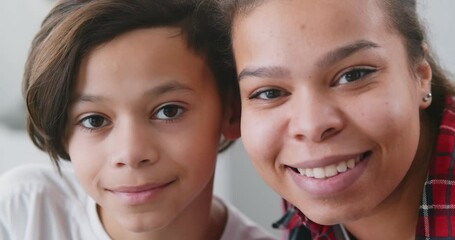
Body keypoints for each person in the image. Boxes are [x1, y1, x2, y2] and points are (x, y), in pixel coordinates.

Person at [0, 0, 278, 239]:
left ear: (231, 112)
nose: (131, 153)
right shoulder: (21, 213)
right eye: (94, 121)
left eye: (168, 111)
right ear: (62, 130)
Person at [218, 0, 455, 239]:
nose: (311, 126)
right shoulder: (312, 178)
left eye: (353, 76)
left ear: (420, 75)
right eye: (270, 93)